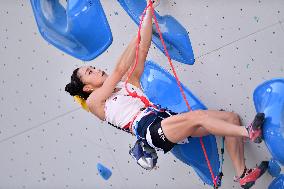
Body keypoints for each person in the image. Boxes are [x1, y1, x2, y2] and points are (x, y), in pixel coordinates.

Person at [65, 1, 267, 188]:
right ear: (87, 88)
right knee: (198, 117)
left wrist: (148, 10)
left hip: (164, 118)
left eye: (92, 67)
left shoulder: (128, 85)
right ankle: (248, 132)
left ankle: (242, 174)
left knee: (231, 118)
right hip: (149, 129)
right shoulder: (95, 102)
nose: (96, 69)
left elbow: (142, 47)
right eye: (90, 72)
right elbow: (118, 68)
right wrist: (137, 34)